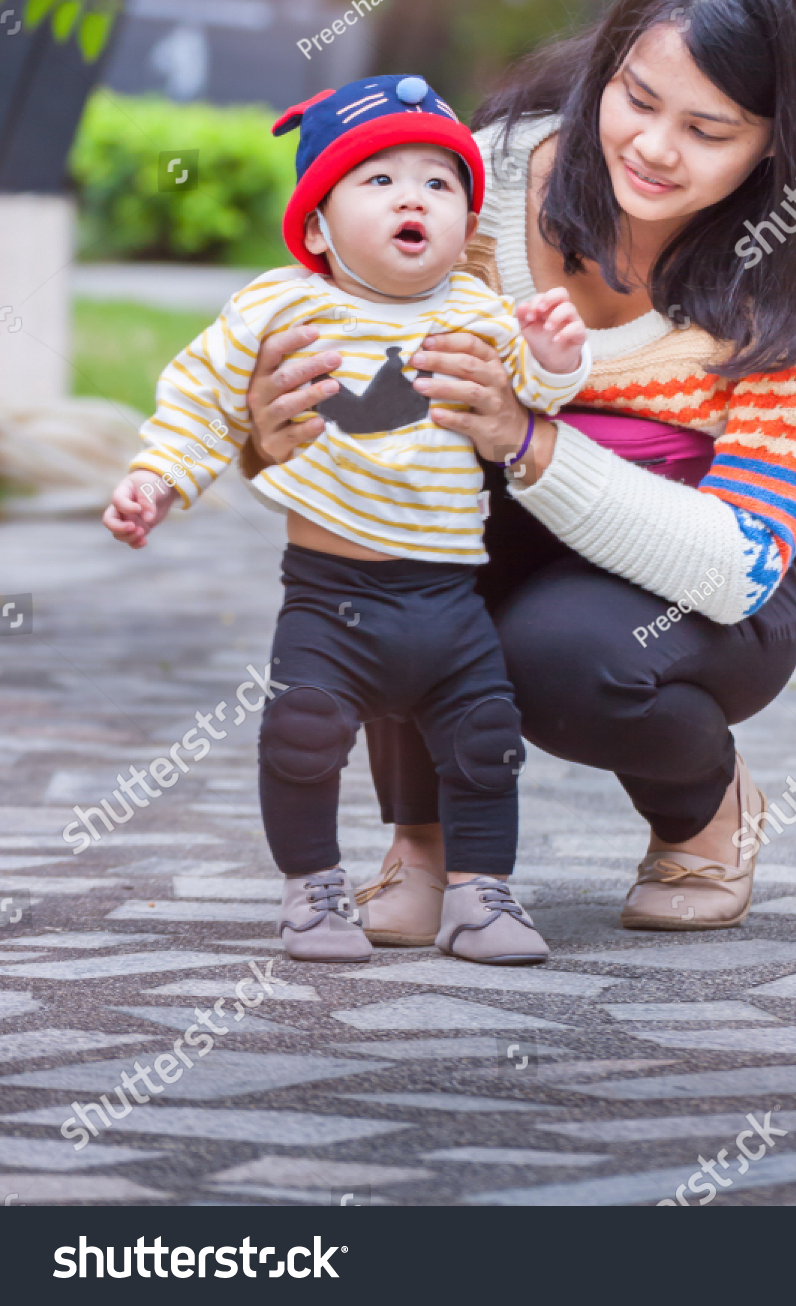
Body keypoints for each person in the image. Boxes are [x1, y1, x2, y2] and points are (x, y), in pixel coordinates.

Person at [240, 0, 796, 943]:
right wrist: (276, 431)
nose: (653, 147)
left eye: (708, 129)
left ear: (778, 141)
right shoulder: (477, 184)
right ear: (605, 65)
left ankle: (704, 808)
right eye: (635, 97)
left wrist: (527, 441)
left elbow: (736, 563)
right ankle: (423, 843)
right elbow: (361, 403)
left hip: (734, 571)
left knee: (565, 661)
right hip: (501, 512)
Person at [103, 73, 590, 966]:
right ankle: (312, 895)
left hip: (449, 598)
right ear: (318, 228)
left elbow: (534, 395)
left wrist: (556, 357)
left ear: (463, 224)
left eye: (438, 183)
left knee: (485, 741)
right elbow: (201, 401)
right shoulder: (278, 306)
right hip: (331, 597)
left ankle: (481, 898)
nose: (413, 196)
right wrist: (157, 479)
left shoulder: (478, 313)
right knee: (302, 733)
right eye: (378, 179)